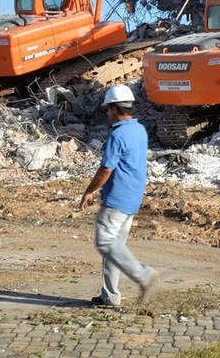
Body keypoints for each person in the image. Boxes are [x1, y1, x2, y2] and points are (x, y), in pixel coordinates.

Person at [78, 83, 161, 307]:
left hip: (116, 198)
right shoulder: (139, 130)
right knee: (115, 247)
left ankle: (144, 276)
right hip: (133, 197)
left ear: (115, 109)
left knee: (106, 242)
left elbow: (106, 169)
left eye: (107, 109)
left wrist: (89, 191)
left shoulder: (118, 134)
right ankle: (110, 295)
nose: (107, 114)